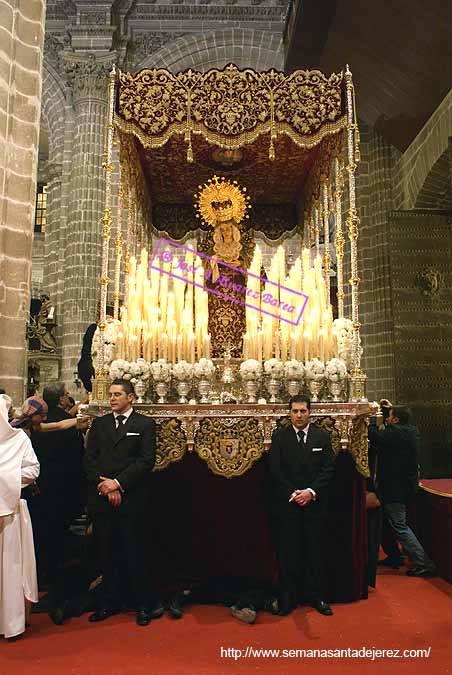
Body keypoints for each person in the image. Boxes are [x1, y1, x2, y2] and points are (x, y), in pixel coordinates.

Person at [84, 379, 156, 626]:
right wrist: (105, 486)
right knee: (107, 553)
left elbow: (146, 460)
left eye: (117, 394)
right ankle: (108, 603)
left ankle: (142, 605)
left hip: (131, 498)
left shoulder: (144, 424)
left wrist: (118, 483)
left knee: (135, 552)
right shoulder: (100, 424)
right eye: (111, 394)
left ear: (131, 398)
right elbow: (90, 459)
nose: (112, 398)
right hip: (103, 499)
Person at [267, 395, 335, 616]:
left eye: (303, 411)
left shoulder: (322, 436)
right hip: (289, 505)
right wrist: (293, 493)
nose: (298, 415)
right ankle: (288, 598)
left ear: (310, 413)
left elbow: (328, 469)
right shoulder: (279, 437)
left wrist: (310, 492)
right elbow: (275, 469)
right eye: (295, 411)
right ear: (289, 413)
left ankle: (317, 597)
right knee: (289, 553)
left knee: (315, 551)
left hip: (314, 505)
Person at [369, 406, 436, 577]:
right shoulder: (410, 430)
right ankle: (394, 556)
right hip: (401, 486)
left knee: (399, 526)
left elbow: (374, 434)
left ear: (396, 420)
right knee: (387, 524)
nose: (386, 419)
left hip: (395, 488)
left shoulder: (396, 433)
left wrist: (371, 419)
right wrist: (385, 409)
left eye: (389, 417)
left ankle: (423, 563)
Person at [28, 383, 85, 586]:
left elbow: (59, 424)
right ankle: (51, 566)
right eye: (66, 394)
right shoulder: (33, 427)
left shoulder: (36, 424)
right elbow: (61, 429)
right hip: (55, 482)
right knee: (52, 526)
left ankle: (45, 565)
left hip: (42, 482)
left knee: (44, 526)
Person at [0, 395, 40, 639]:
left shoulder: (19, 439)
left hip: (11, 514)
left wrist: (5, 479)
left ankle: (11, 622)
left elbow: (33, 469)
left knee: (10, 567)